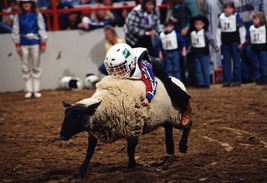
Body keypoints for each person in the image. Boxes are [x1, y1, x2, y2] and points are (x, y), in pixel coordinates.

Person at [104, 43, 192, 127]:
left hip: (156, 68)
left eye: (120, 69)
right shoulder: (124, 66)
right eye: (113, 69)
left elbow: (151, 81)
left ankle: (185, 105)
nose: (115, 73)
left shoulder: (143, 66)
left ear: (131, 63)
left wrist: (148, 97)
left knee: (168, 87)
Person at [12, 0, 48, 98]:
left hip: (35, 42)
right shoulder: (18, 16)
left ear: (32, 4)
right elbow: (16, 30)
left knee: (36, 66)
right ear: (21, 5)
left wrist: (43, 42)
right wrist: (17, 44)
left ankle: (36, 89)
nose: (26, 4)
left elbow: (42, 28)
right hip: (23, 43)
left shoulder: (37, 15)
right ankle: (29, 90)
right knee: (25, 67)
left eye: (28, 2)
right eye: (24, 3)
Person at [216, 1, 246, 87]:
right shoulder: (221, 18)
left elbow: (242, 30)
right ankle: (227, 81)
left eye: (229, 8)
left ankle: (237, 80)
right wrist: (218, 44)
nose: (227, 10)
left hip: (235, 43)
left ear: (233, 9)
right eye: (226, 8)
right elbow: (218, 31)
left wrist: (242, 42)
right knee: (226, 62)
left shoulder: (237, 18)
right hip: (225, 43)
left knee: (236, 62)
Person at [188, 14, 219, 88]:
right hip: (195, 53)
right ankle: (200, 83)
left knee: (205, 68)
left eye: (200, 24)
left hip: (204, 54)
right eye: (196, 24)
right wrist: (188, 51)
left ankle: (206, 82)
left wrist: (215, 47)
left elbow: (211, 40)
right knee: (198, 69)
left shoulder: (205, 33)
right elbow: (191, 44)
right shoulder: (192, 34)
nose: (198, 26)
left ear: (203, 25)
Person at [242, 12, 267, 84]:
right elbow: (250, 39)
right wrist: (243, 45)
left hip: (263, 49)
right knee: (257, 65)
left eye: (256, 19)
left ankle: (265, 78)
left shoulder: (265, 28)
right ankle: (258, 78)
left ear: (261, 19)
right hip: (254, 49)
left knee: (264, 64)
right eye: (253, 19)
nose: (254, 21)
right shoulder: (252, 28)